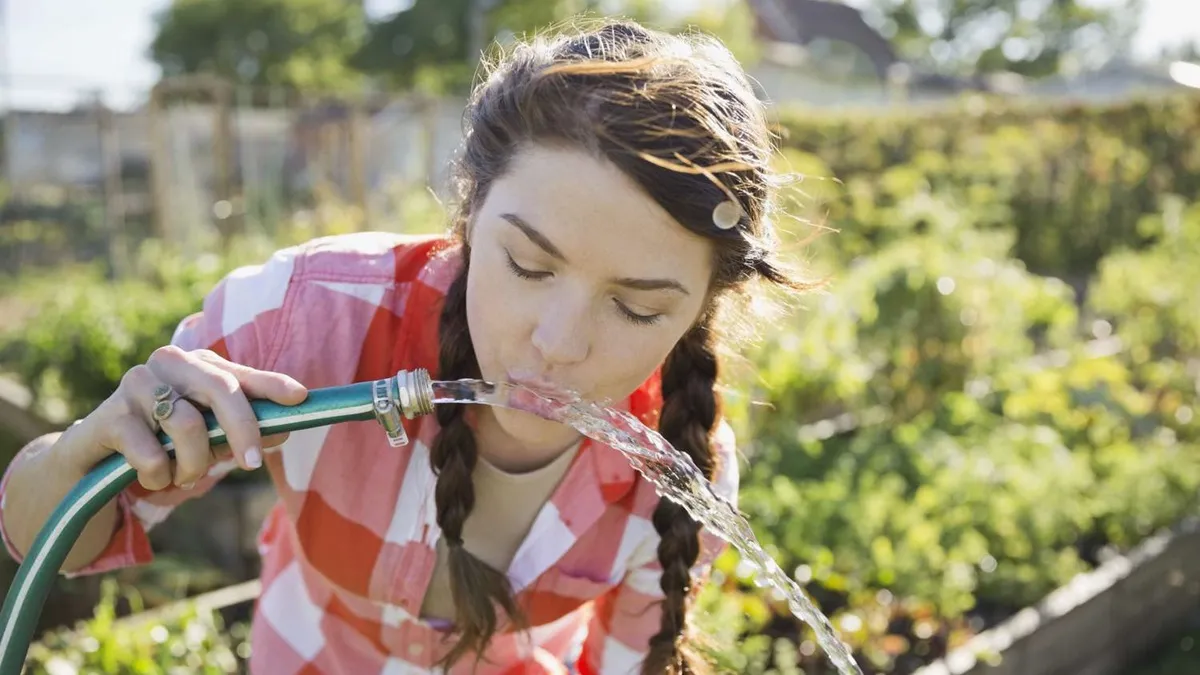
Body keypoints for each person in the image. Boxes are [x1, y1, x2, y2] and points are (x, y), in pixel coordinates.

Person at [0, 19, 812, 675]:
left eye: (636, 310)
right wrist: (92, 454)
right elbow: (54, 541)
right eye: (527, 265)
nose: (558, 344)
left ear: (703, 311)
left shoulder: (682, 466)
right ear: (468, 211)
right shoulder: (304, 321)